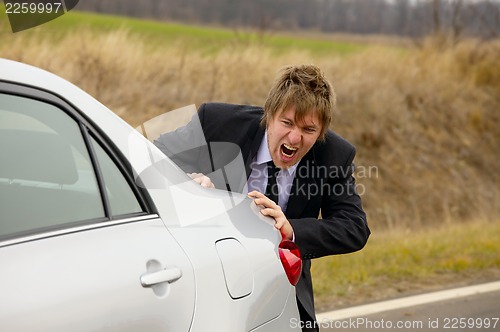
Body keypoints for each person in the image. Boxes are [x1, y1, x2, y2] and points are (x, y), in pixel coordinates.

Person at [154, 64, 370, 331]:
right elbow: (151, 154)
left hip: (281, 288)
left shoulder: (335, 155)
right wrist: (187, 181)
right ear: (269, 114)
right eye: (287, 123)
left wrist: (291, 229)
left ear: (322, 131)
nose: (294, 137)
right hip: (206, 275)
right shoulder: (217, 123)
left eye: (308, 130)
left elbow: (355, 227)